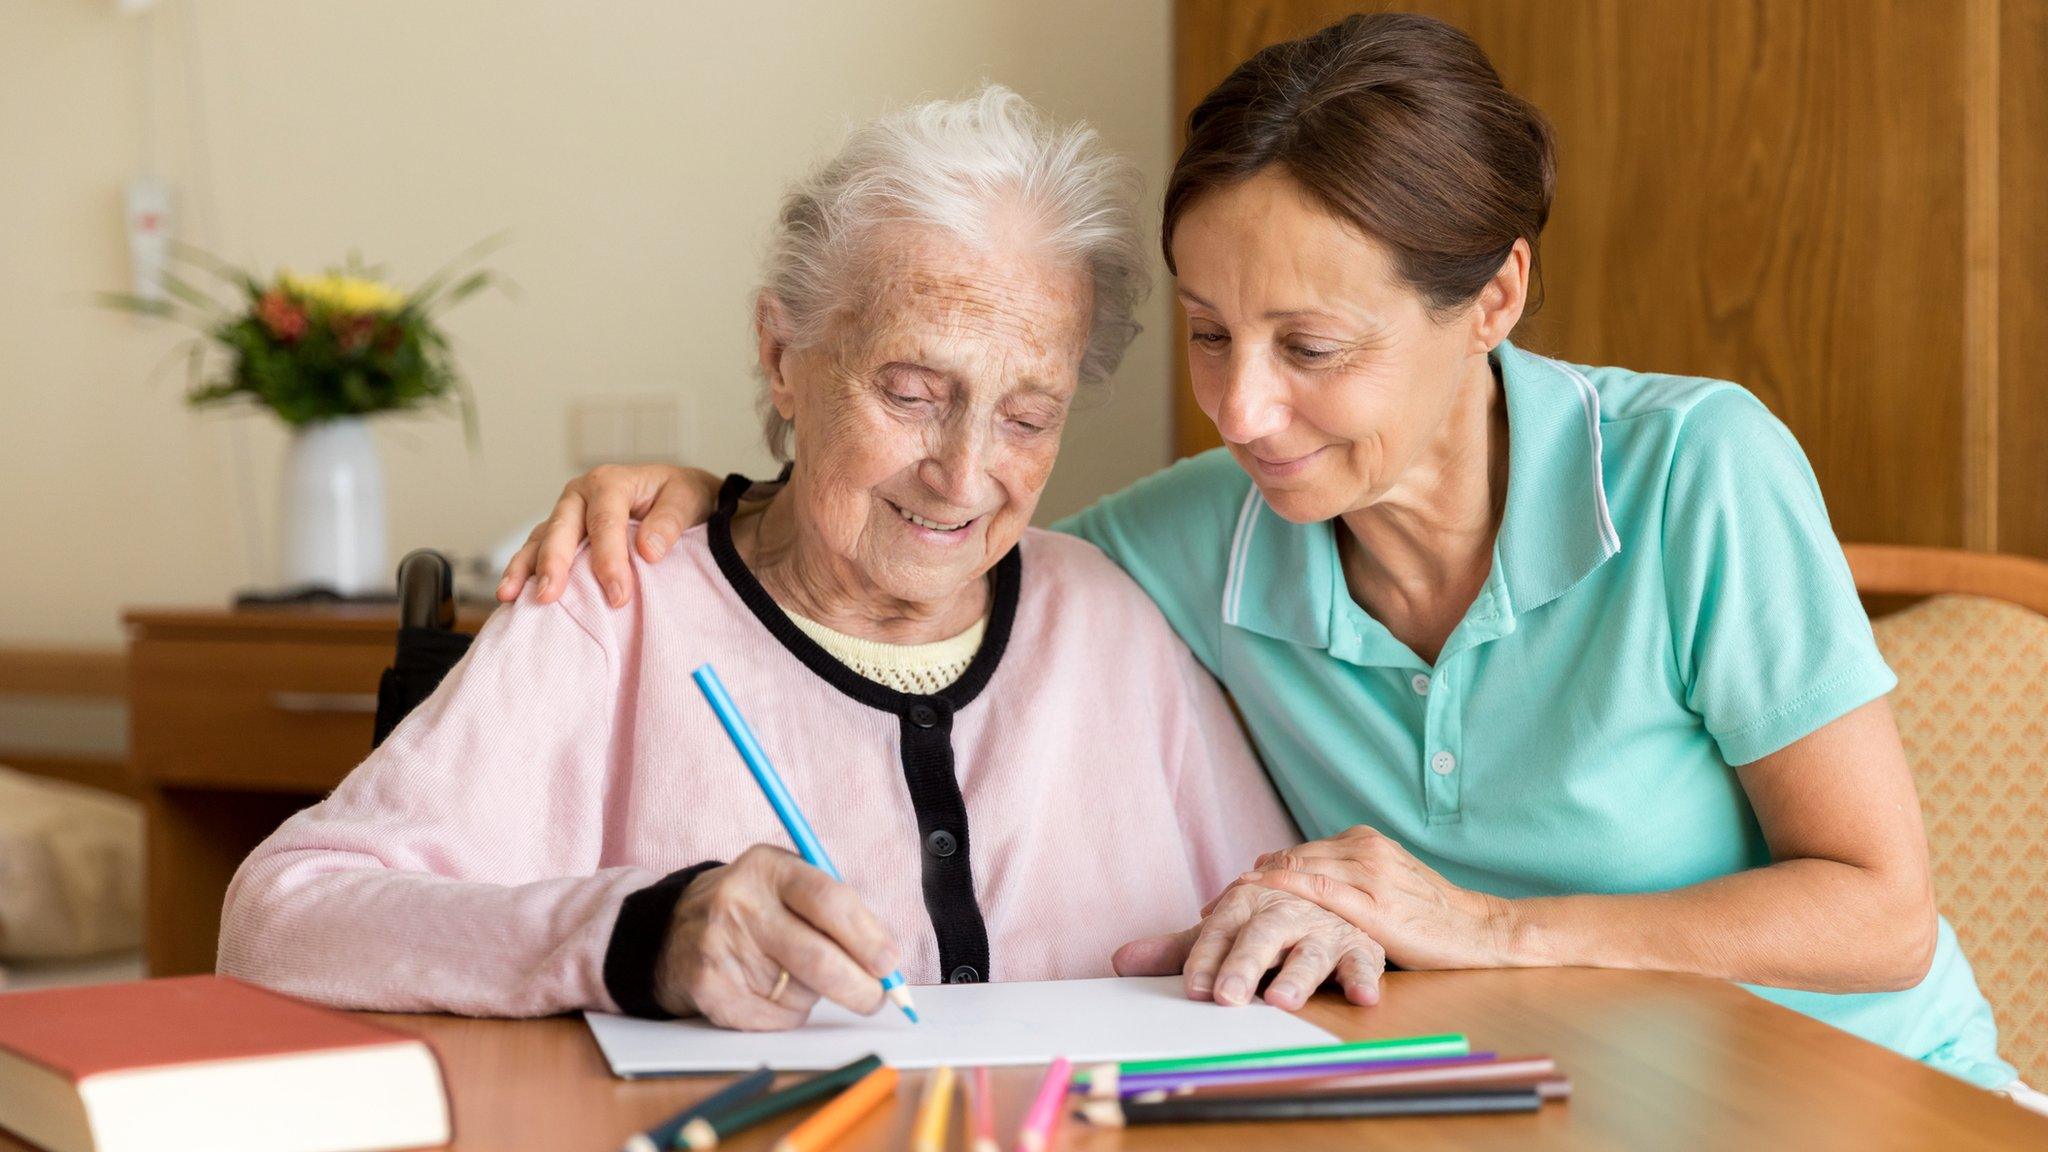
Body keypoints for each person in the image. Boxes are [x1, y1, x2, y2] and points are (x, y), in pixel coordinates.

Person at [507, 13, 2030, 1094]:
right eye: (1212, 334)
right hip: (1528, 1109)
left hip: (1855, 1100)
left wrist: (1480, 925)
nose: (1242, 409)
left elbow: (1880, 916)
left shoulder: (1699, 471)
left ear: (1495, 296)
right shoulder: (1194, 538)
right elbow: (937, 549)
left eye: (1310, 346)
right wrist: (729, 489)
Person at [217, 86, 1312, 1031]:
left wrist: (1296, 927)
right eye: (912, 395)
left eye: (1027, 418)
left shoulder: (1108, 623)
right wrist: (636, 934)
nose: (962, 473)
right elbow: (279, 918)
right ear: (782, 356)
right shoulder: (617, 600)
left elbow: (1288, 908)